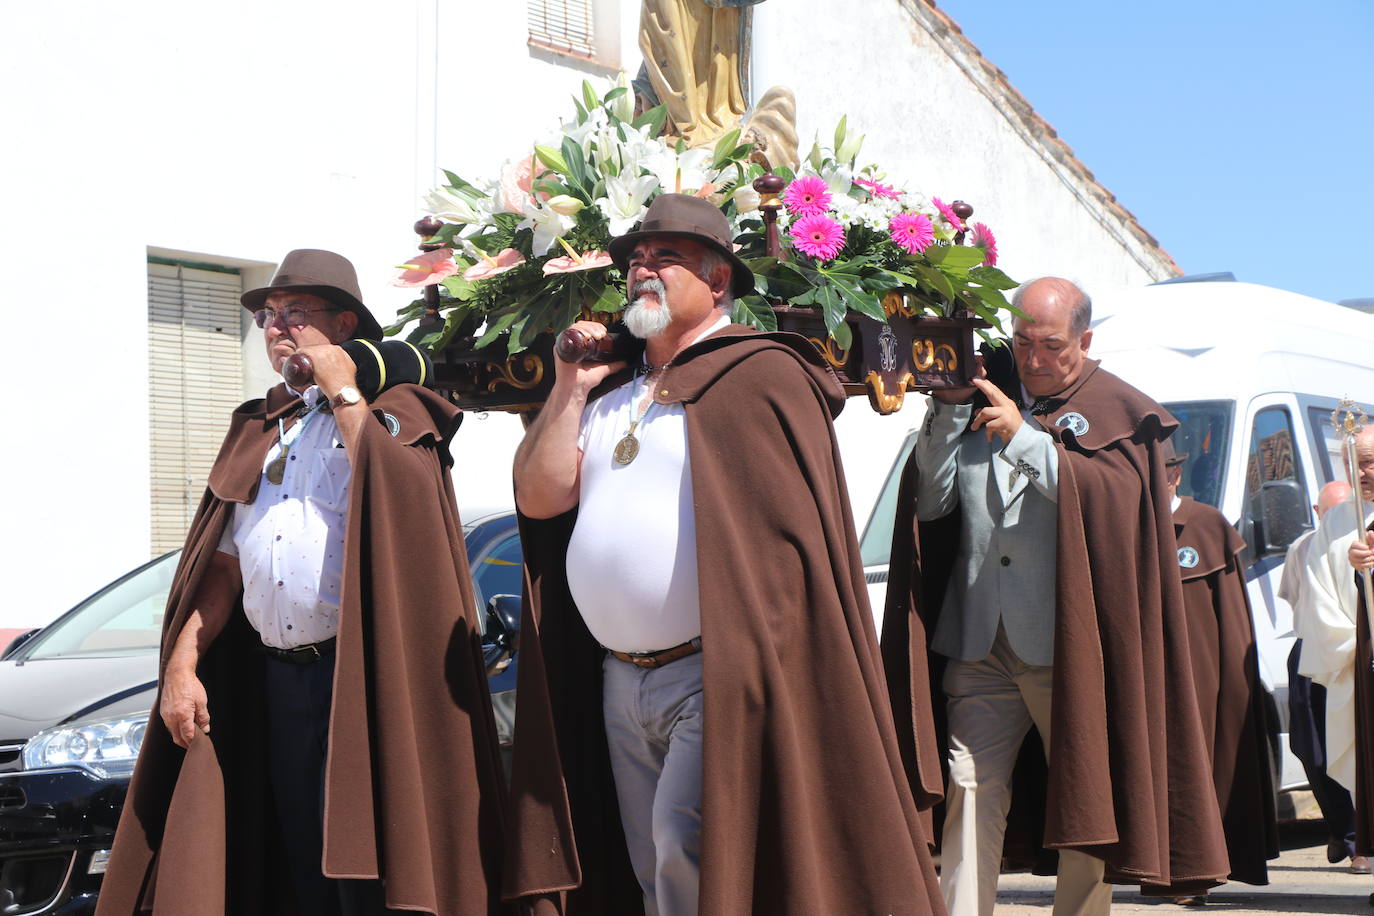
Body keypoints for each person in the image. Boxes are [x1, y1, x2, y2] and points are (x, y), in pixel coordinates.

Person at [504, 194, 943, 916]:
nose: (643, 271)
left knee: (685, 848)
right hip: (618, 676)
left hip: (714, 672)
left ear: (717, 282)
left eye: (665, 259)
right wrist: (568, 390)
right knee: (650, 859)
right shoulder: (610, 391)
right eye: (636, 261)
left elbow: (785, 555)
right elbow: (538, 499)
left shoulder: (758, 375)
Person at [95, 249, 507, 916]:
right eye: (268, 315)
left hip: (365, 680)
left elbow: (399, 498)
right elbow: (223, 565)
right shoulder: (262, 426)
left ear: (344, 326)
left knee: (375, 874)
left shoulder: (397, 409)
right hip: (279, 681)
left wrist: (345, 392)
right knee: (302, 871)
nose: (277, 327)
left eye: (295, 314)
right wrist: (181, 664)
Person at [882, 277, 1229, 916]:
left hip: (1068, 647)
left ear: (1085, 340)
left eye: (1051, 345)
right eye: (1024, 342)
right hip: (979, 639)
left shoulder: (1122, 408)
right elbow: (932, 505)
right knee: (969, 789)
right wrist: (949, 411)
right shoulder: (990, 393)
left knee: (1084, 794)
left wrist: (1023, 437)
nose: (1035, 359)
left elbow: (1118, 507)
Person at [1166, 444, 1279, 894]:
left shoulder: (1207, 524)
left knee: (1206, 764)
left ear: (1175, 474)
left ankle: (1200, 869)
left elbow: (1232, 619)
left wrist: (1233, 684)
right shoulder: (1122, 521)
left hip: (1201, 675)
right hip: (1145, 677)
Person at [1279, 480, 1365, 873]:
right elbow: (1299, 600)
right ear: (1318, 513)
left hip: (1359, 645)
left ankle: (1357, 840)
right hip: (1317, 646)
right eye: (1326, 512)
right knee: (1312, 745)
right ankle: (1342, 827)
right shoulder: (1304, 547)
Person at [1300, 426, 1374, 860]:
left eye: (1368, 460)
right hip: (1360, 665)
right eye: (1352, 461)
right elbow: (1317, 593)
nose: (1360, 471)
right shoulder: (1337, 521)